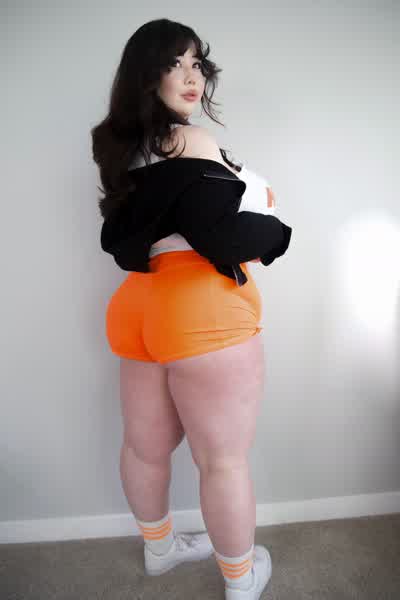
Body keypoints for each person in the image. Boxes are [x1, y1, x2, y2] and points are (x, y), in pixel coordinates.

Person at [91, 18, 292, 600]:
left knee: (142, 447)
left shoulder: (123, 150)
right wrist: (278, 231)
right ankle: (241, 579)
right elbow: (219, 238)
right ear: (144, 75)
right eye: (173, 64)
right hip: (202, 312)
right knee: (222, 461)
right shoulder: (193, 141)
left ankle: (159, 550)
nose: (191, 77)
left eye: (196, 63)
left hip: (140, 306)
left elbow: (125, 240)